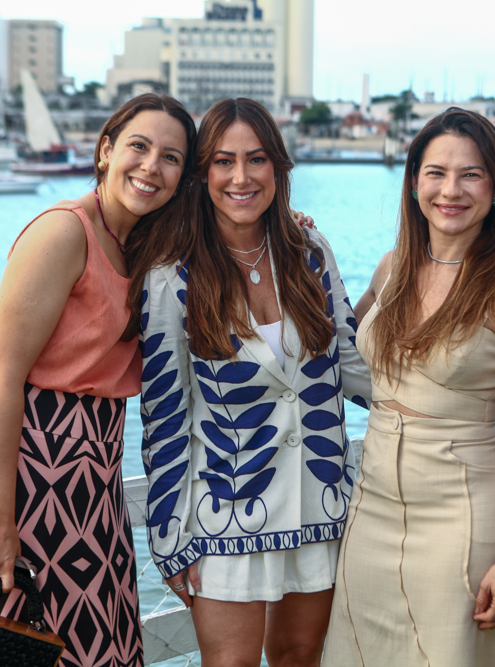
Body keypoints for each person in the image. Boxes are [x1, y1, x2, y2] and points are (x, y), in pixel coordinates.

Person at [0, 93, 197, 667]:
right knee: (12, 648)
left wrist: (289, 223)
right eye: (138, 146)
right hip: (34, 473)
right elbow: (2, 377)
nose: (150, 167)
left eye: (171, 157)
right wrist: (0, 520)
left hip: (96, 480)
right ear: (106, 149)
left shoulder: (142, 243)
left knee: (103, 647)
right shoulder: (64, 233)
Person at [138, 98, 372, 667]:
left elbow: (352, 360)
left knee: (299, 657)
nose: (241, 177)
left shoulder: (310, 251)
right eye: (223, 161)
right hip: (224, 512)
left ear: (278, 168)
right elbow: (165, 414)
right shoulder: (173, 274)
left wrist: (434, 400)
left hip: (318, 502)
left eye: (257, 159)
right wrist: (171, 540)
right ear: (203, 174)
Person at [324, 108, 495, 666]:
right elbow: (335, 352)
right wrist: (294, 245)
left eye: (471, 174)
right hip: (372, 505)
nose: (451, 190)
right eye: (436, 173)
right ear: (412, 182)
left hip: (461, 513)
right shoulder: (391, 268)